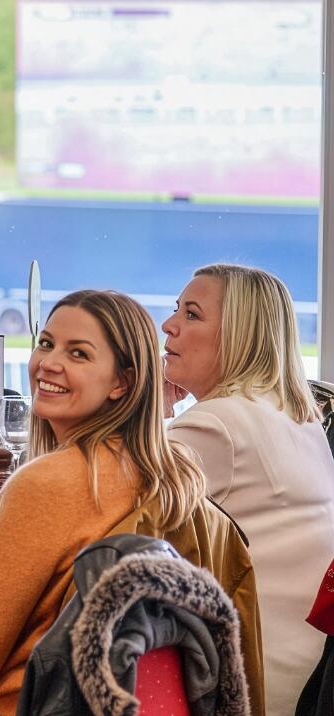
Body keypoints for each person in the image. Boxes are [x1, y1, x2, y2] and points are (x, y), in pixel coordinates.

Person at [0, 290, 264, 715]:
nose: (48, 363)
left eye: (78, 354)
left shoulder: (45, 485)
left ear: (122, 383)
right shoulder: (175, 473)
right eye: (46, 343)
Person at [163, 263, 334, 715]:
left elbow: (93, 515)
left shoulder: (215, 425)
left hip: (247, 683)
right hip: (310, 676)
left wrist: (148, 405)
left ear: (238, 335)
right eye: (176, 309)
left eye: (192, 314)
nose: (169, 325)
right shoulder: (297, 417)